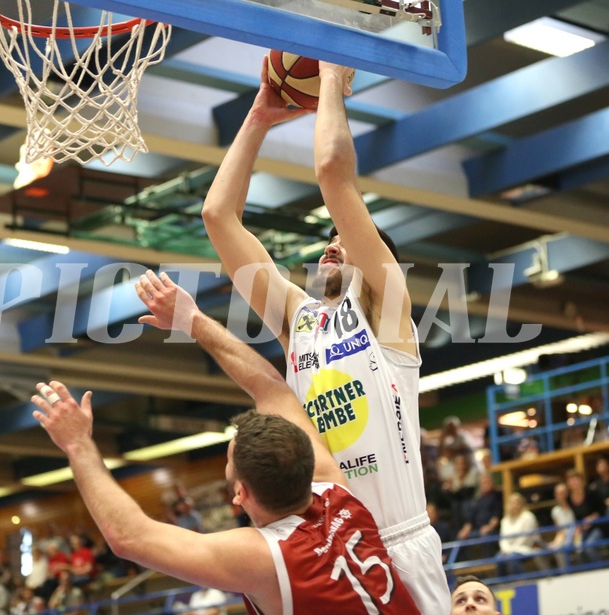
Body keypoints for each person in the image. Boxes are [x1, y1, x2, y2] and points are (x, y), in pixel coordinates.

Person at [201, 55, 448, 614]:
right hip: (327, 550)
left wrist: (334, 73)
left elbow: (334, 171)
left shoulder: (387, 314)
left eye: (345, 238)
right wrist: (260, 116)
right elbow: (219, 215)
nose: (332, 244)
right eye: (328, 239)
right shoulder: (300, 319)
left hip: (398, 543)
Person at [30, 270, 421, 615]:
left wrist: (78, 445)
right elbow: (271, 388)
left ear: (241, 495)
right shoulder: (336, 492)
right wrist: (192, 319)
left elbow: (129, 537)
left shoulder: (265, 556)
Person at [495, 492, 546, 578]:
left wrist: (511, 551)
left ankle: (521, 582)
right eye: (512, 503)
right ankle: (503, 585)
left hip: (526, 547)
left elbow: (525, 537)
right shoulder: (505, 520)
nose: (514, 505)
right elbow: (503, 539)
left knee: (512, 559)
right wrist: (506, 549)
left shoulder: (528, 517)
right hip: (508, 550)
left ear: (521, 504)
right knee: (499, 559)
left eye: (516, 503)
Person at [457, 473, 502, 560]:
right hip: (477, 530)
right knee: (461, 538)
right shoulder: (478, 500)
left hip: (492, 530)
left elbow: (496, 517)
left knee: (487, 536)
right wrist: (465, 530)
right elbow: (471, 520)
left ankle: (489, 563)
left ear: (492, 483)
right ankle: (466, 566)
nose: (484, 485)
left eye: (487, 482)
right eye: (482, 483)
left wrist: (489, 527)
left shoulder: (497, 497)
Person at [549, 482, 577, 568]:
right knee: (555, 549)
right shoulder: (555, 511)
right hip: (564, 539)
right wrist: (555, 542)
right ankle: (564, 574)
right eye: (559, 493)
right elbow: (559, 531)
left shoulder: (574, 507)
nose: (562, 496)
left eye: (564, 492)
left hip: (577, 536)